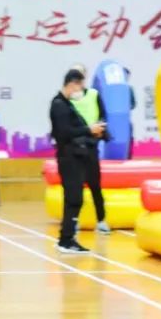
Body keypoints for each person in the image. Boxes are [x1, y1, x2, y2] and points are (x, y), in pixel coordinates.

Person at [49, 70, 107, 254]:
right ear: (72, 84)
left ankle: (66, 238)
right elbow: (64, 132)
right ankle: (67, 240)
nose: (81, 90)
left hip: (76, 157)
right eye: (80, 86)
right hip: (68, 158)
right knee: (74, 199)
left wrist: (93, 132)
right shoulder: (59, 105)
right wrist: (88, 129)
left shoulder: (66, 104)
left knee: (74, 198)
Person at [67, 64, 110, 234]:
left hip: (91, 147)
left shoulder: (94, 95)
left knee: (95, 186)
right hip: (74, 149)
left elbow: (103, 116)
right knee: (75, 187)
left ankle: (101, 220)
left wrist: (99, 129)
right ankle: (74, 221)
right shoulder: (66, 100)